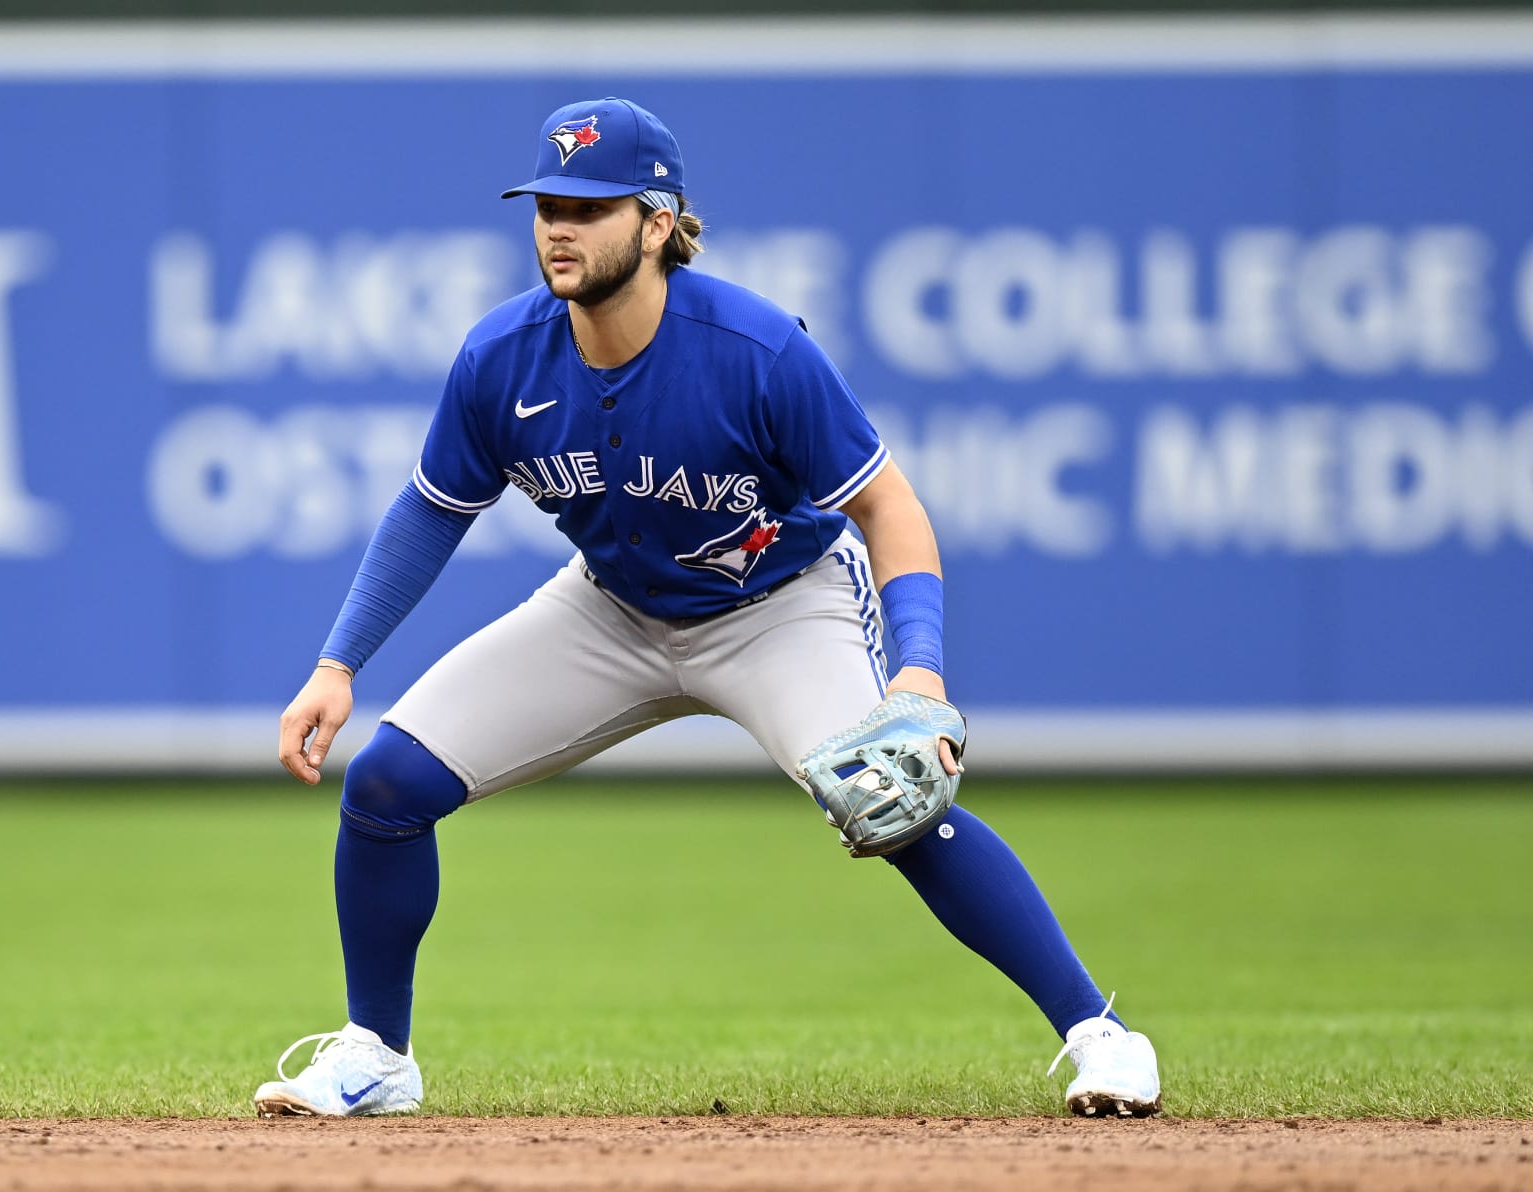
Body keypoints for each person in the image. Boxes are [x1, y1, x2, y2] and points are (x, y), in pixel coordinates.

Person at [254, 97, 1161, 1120]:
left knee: (891, 794)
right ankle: (377, 1054)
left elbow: (888, 506)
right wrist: (338, 663)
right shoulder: (501, 360)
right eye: (548, 201)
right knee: (384, 784)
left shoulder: (755, 350)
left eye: (590, 206)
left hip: (779, 607)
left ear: (656, 222)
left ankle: (1104, 1036)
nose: (560, 224)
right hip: (610, 610)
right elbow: (431, 511)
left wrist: (920, 667)